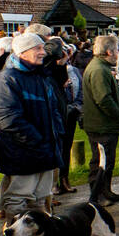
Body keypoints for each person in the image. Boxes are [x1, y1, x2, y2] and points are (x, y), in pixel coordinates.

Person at [0, 32, 65, 236]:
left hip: (44, 150)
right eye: (38, 49)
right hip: (23, 152)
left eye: (43, 48)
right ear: (22, 52)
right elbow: (8, 118)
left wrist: (56, 134)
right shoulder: (8, 78)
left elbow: (52, 110)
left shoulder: (39, 75)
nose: (43, 52)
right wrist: (37, 141)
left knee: (40, 199)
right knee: (19, 200)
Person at [81, 34, 119, 206]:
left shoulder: (100, 67)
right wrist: (118, 114)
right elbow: (103, 99)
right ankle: (97, 195)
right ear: (109, 51)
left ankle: (106, 191)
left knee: (107, 160)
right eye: (116, 50)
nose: (118, 53)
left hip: (104, 123)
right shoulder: (99, 70)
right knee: (100, 161)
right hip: (101, 124)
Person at [54, 40, 82, 196]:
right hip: (59, 113)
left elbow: (81, 89)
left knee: (67, 147)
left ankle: (65, 179)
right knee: (57, 148)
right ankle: (54, 182)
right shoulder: (53, 72)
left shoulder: (75, 70)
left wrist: (77, 106)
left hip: (71, 113)